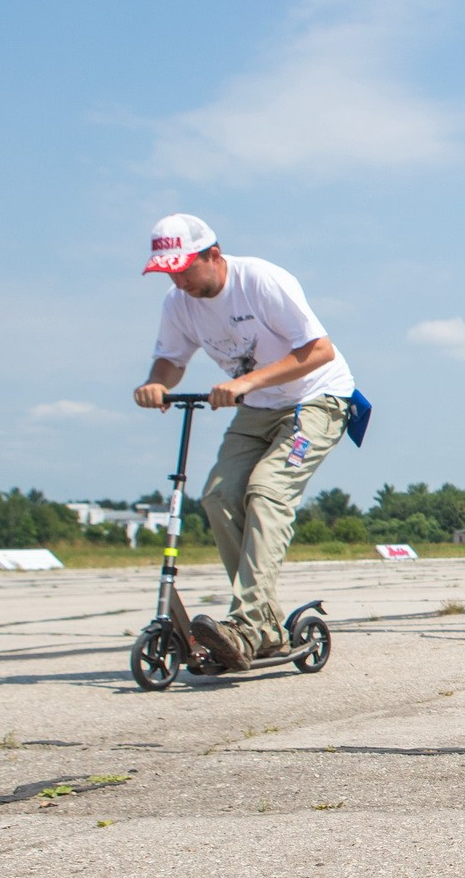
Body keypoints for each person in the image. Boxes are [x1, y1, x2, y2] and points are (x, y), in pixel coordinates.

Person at [132, 214, 357, 670]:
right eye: (168, 272)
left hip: (317, 400)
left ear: (213, 255)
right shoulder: (179, 303)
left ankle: (250, 623)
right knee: (218, 496)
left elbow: (320, 351)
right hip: (257, 408)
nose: (178, 281)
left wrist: (243, 383)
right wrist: (156, 383)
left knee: (267, 491)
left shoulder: (261, 280)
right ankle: (263, 624)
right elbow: (170, 360)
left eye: (184, 269)